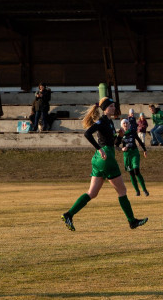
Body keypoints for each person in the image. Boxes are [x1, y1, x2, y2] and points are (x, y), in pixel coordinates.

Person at [61, 97, 148, 231]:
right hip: (106, 157)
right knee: (122, 191)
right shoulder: (102, 121)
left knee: (92, 193)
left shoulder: (109, 122)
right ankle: (132, 221)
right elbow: (87, 134)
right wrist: (99, 148)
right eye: (112, 106)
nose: (114, 108)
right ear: (105, 108)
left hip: (100, 159)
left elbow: (114, 144)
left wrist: (119, 136)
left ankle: (68, 215)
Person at [116, 118, 149, 197]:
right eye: (124, 123)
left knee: (136, 171)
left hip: (134, 153)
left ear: (129, 124)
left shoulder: (132, 132)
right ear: (122, 125)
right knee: (131, 173)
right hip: (127, 155)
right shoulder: (120, 134)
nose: (125, 125)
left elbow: (139, 140)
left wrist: (145, 150)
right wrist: (122, 149)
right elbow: (116, 145)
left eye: (126, 123)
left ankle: (144, 190)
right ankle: (137, 191)